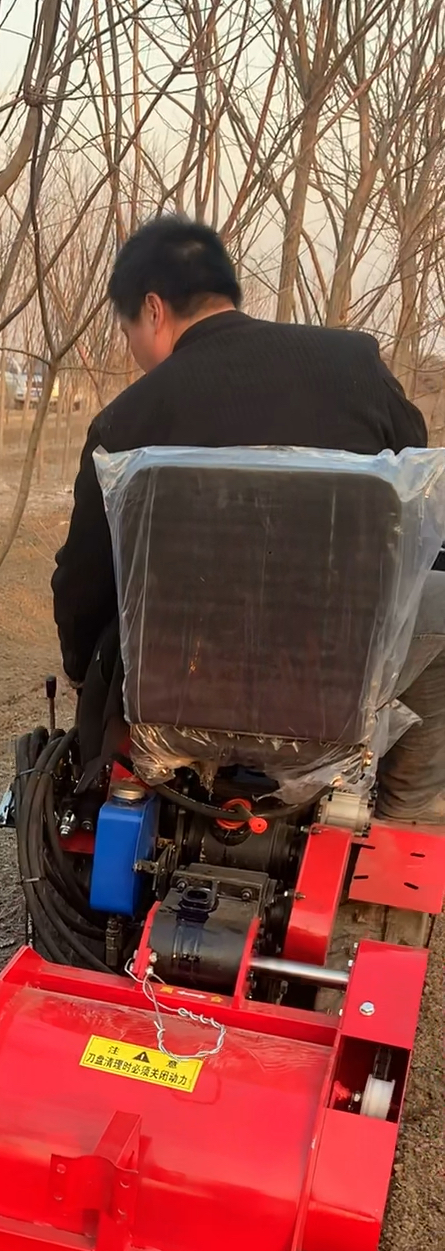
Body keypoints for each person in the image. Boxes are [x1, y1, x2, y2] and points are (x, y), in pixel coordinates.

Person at [51, 215, 445, 821]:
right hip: (338, 700)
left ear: (153, 310)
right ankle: (401, 815)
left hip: (176, 704)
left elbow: (83, 583)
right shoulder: (357, 368)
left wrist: (84, 673)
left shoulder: (125, 425)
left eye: (129, 328)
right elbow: (415, 513)